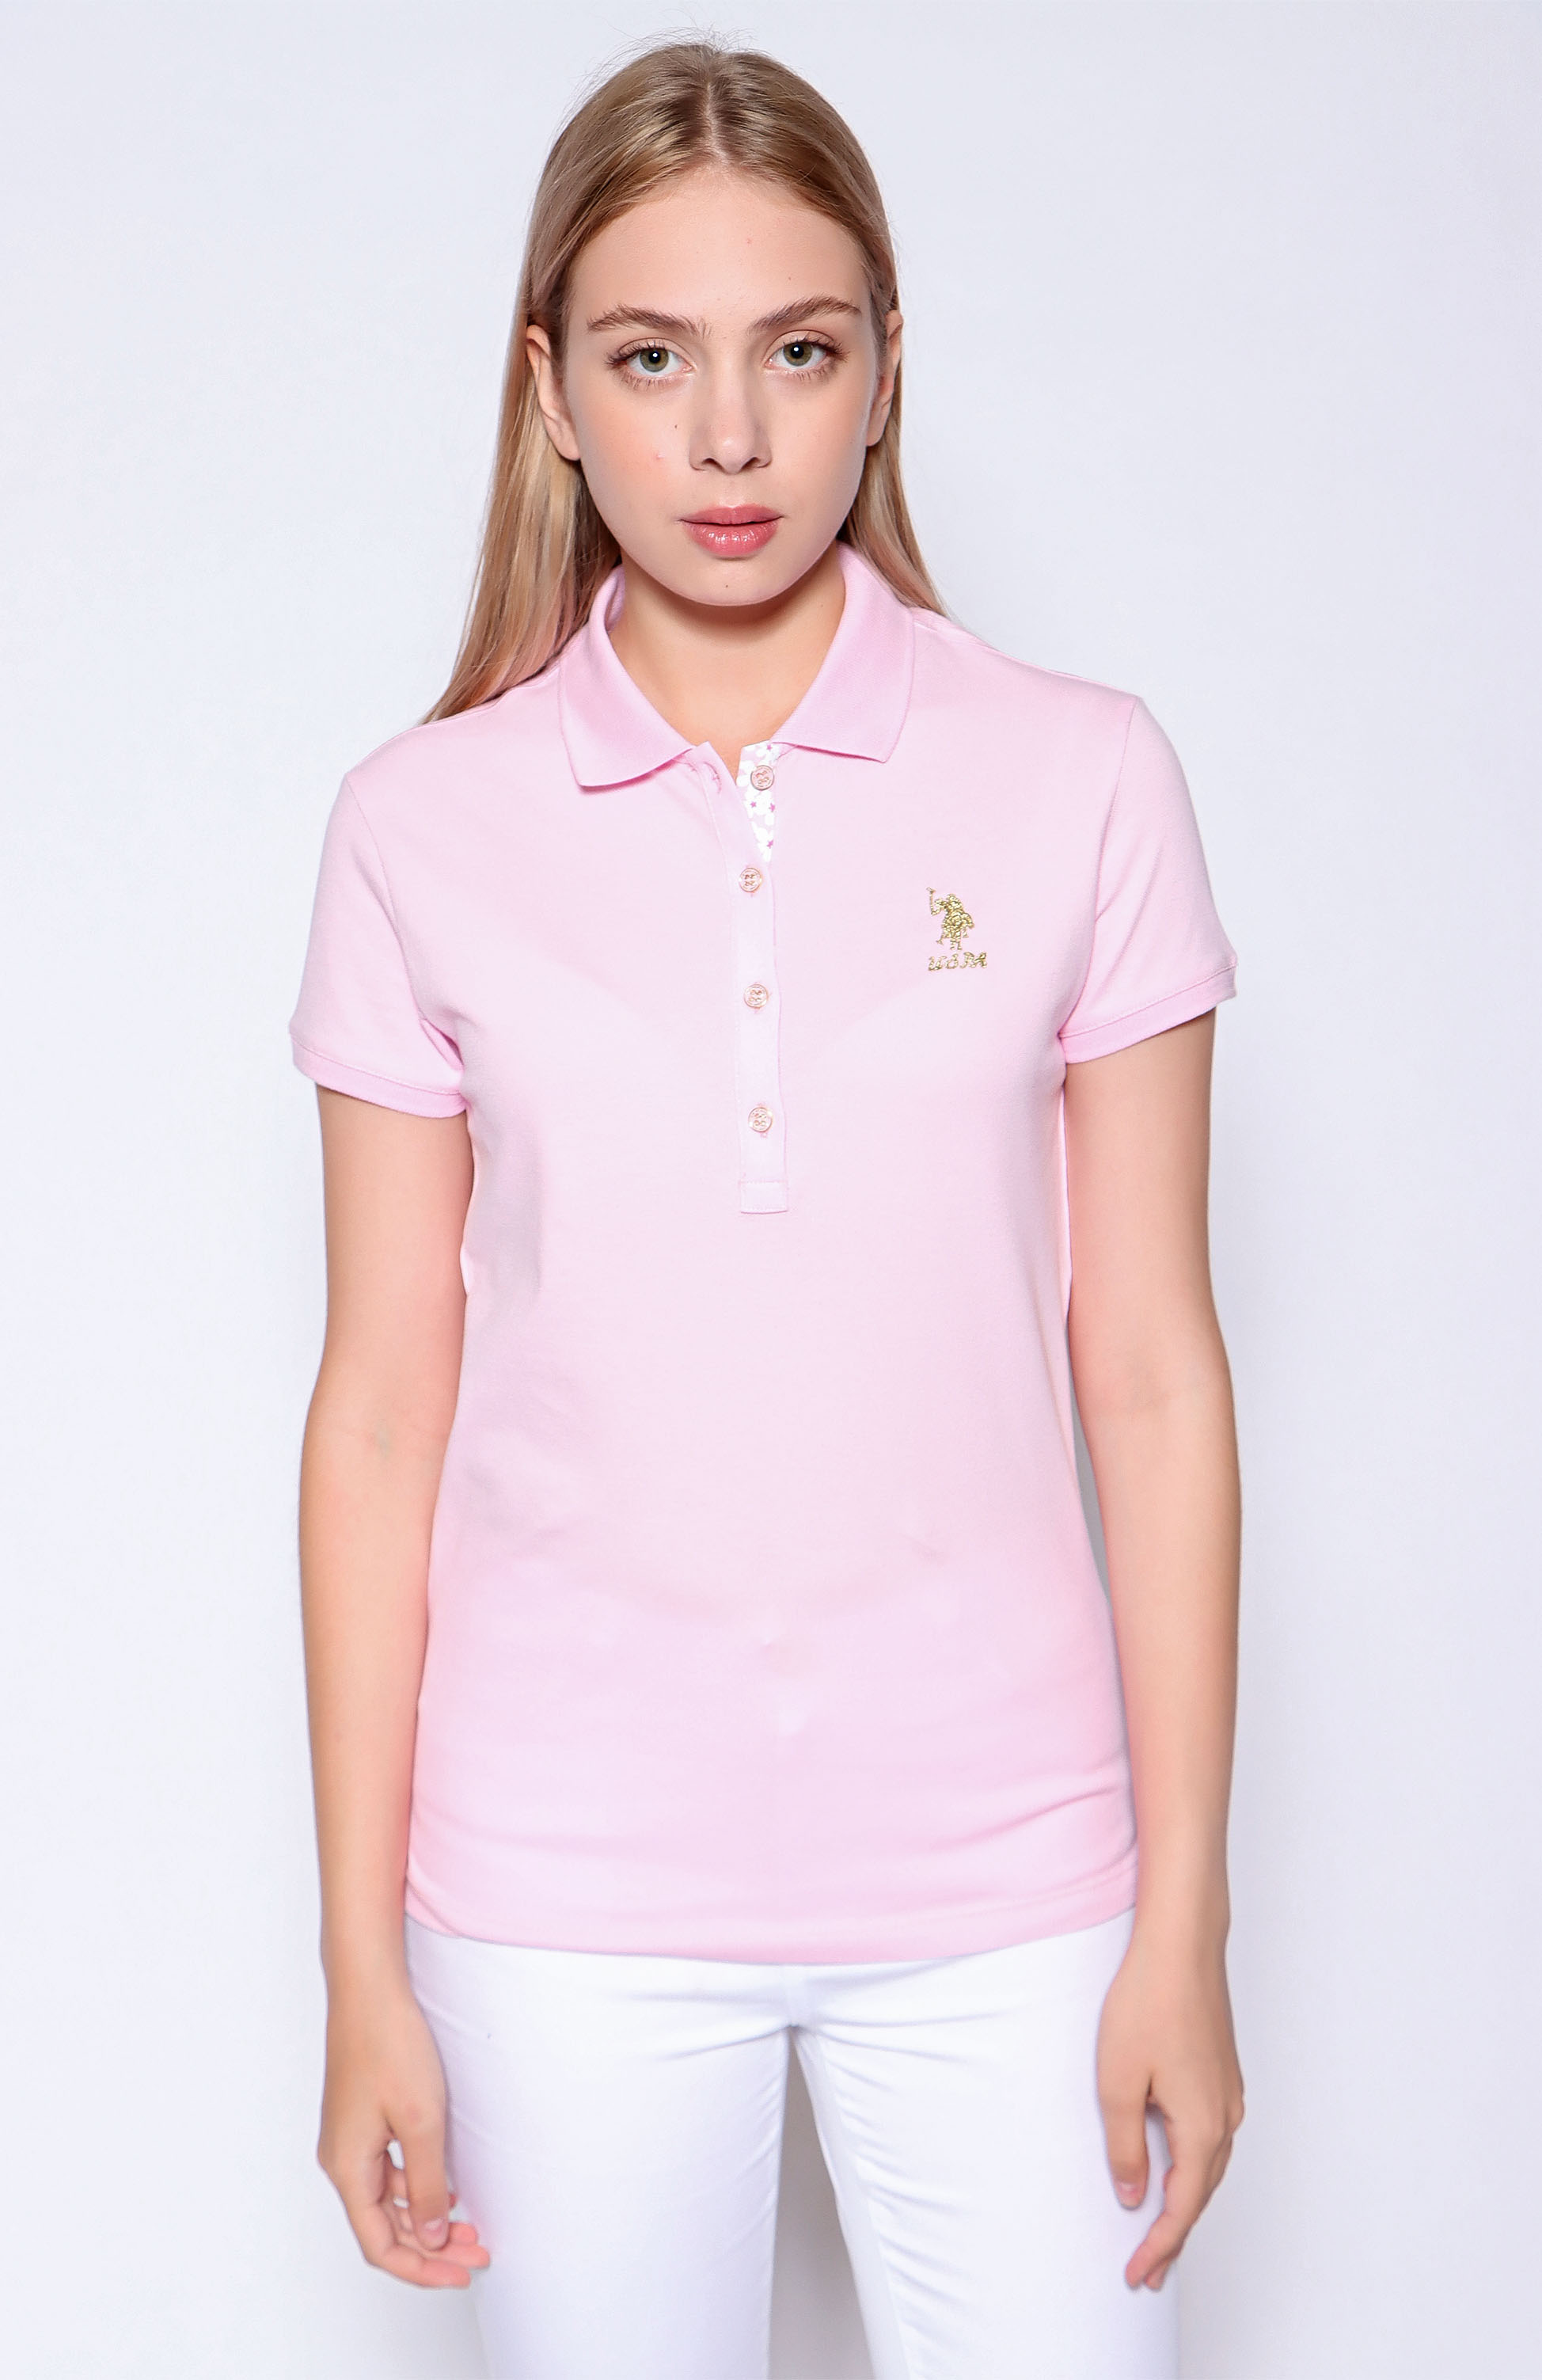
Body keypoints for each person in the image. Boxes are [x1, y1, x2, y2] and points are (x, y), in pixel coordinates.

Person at [291, 37, 1245, 2380]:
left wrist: (1187, 1922)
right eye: (651, 358)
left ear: (883, 371)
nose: (728, 438)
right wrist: (357, 1969)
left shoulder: (1081, 776)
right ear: (549, 389)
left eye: (795, 353)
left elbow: (1149, 1374)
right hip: (560, 1891)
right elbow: (381, 1416)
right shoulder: (418, 826)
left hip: (1017, 1881)